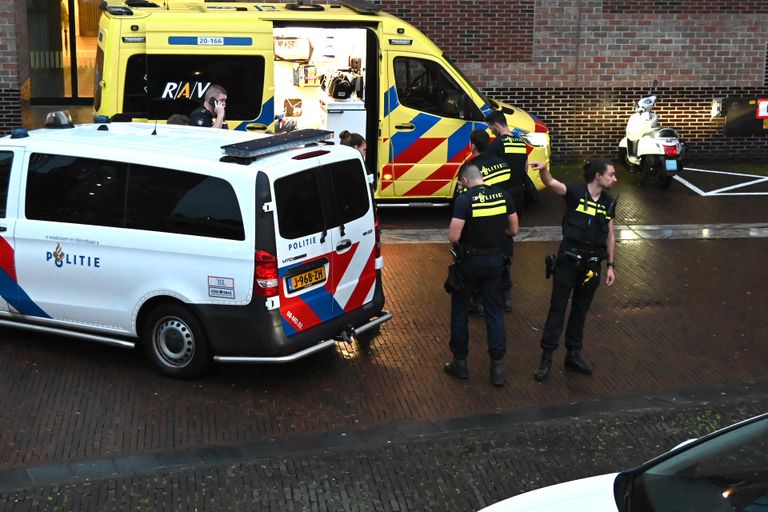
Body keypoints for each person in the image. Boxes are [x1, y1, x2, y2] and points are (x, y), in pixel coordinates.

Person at [530, 159, 618, 382]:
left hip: (592, 266)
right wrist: (544, 171)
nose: (614, 179)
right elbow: (552, 183)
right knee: (557, 309)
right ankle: (547, 357)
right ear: (598, 175)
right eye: (611, 175)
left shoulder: (608, 201)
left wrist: (610, 265)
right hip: (568, 261)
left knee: (581, 310)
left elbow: (609, 234)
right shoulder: (575, 192)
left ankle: (573, 354)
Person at [444, 161, 519, 387]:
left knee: (460, 310)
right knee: (494, 311)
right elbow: (514, 229)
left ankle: (460, 363)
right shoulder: (504, 196)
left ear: (465, 180)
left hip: (469, 262)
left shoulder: (464, 200)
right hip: (495, 261)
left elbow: (454, 236)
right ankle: (497, 367)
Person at [467, 129, 517, 314]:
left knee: (479, 264)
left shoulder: (473, 168)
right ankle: (506, 299)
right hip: (502, 220)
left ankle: (478, 302)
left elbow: (466, 197)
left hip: (481, 222)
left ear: (472, 145)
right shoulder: (503, 163)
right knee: (503, 261)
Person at [485, 110, 535, 209]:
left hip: (503, 195)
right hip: (519, 194)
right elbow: (525, 168)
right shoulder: (521, 143)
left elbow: (491, 174)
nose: (491, 131)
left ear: (496, 125)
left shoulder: (496, 145)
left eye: (491, 128)